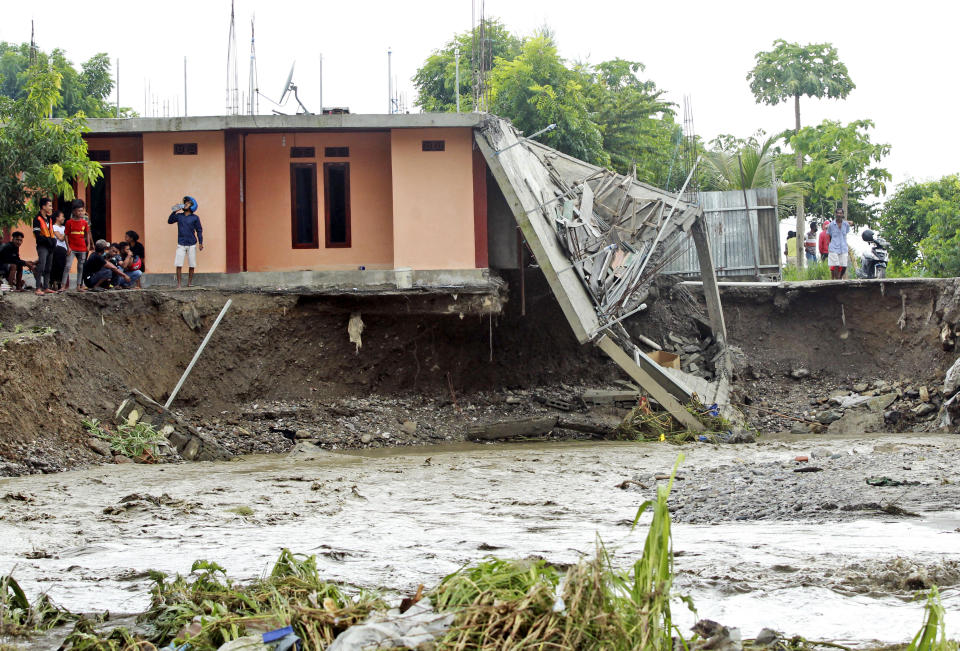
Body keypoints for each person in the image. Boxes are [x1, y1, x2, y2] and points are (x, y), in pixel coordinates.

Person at [167, 196, 203, 288]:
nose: (186, 204)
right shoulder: (179, 216)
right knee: (178, 264)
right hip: (181, 244)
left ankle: (189, 283)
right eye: (185, 202)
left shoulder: (195, 218)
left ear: (192, 206)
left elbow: (199, 230)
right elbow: (169, 221)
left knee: (192, 264)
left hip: (192, 244)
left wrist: (200, 242)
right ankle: (179, 284)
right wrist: (175, 210)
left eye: (188, 203)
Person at [64, 199, 93, 290]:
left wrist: (90, 244)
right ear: (74, 210)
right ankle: (63, 285)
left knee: (81, 266)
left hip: (82, 245)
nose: (81, 212)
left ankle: (80, 285)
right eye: (79, 210)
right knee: (68, 265)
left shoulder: (85, 219)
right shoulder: (70, 220)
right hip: (72, 246)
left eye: (82, 210)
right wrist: (68, 246)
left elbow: (88, 232)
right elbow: (67, 234)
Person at [31, 198, 56, 295]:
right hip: (42, 246)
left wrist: (53, 241)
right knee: (41, 266)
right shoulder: (37, 219)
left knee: (48, 268)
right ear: (43, 206)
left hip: (50, 246)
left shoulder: (49, 219)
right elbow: (37, 235)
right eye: (49, 205)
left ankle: (46, 287)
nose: (51, 208)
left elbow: (51, 232)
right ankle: (38, 288)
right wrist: (48, 240)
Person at [827, 208, 851, 280]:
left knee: (844, 265)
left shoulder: (846, 224)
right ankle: (837, 280)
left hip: (843, 247)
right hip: (834, 247)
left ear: (843, 214)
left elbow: (846, 232)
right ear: (835, 214)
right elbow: (829, 235)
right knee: (836, 265)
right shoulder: (831, 225)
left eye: (840, 213)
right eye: (838, 213)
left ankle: (840, 277)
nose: (839, 214)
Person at [50, 210, 68, 291]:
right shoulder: (54, 227)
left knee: (63, 267)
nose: (64, 218)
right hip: (57, 250)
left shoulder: (64, 228)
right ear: (57, 218)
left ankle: (61, 284)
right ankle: (54, 282)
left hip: (65, 250)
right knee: (57, 267)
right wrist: (67, 231)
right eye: (62, 216)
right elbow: (60, 238)